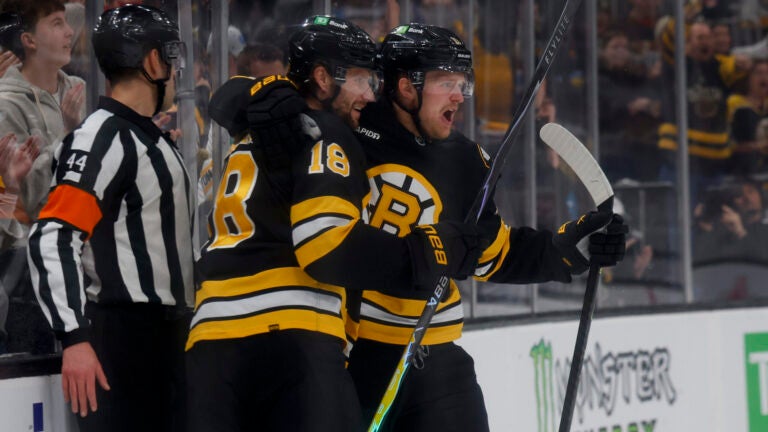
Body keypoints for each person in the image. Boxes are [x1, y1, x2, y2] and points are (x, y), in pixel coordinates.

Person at [186, 16, 484, 432]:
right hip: (293, 331)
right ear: (323, 79)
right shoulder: (329, 132)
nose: (369, 95)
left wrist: (258, 87)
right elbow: (325, 242)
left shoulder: (252, 126)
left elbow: (226, 100)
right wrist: (428, 250)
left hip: (209, 338)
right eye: (361, 81)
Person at [346, 24, 628, 432]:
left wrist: (566, 251)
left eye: (463, 84)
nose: (459, 96)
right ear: (407, 88)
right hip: (359, 358)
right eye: (446, 83)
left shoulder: (464, 160)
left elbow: (492, 254)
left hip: (438, 360)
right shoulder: (346, 136)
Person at [27, 5, 193, 431]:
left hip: (166, 339)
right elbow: (54, 237)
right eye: (169, 57)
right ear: (153, 61)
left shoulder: (147, 137)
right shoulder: (102, 137)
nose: (176, 71)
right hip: (124, 340)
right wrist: (75, 337)